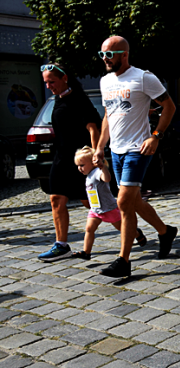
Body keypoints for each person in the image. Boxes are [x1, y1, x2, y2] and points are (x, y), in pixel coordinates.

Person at [94, 36, 178, 278]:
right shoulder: (105, 81)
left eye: (110, 54)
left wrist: (156, 136)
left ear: (124, 54)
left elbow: (169, 106)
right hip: (116, 150)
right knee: (133, 201)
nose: (105, 59)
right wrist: (100, 146)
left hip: (138, 149)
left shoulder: (143, 77)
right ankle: (165, 231)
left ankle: (123, 260)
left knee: (122, 202)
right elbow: (108, 115)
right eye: (102, 55)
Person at [37, 63, 103, 262]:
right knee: (56, 199)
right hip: (61, 158)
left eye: (52, 82)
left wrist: (94, 155)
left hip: (81, 160)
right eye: (46, 83)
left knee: (93, 203)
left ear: (64, 78)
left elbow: (93, 129)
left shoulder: (79, 100)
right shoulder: (58, 99)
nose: (49, 86)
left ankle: (130, 229)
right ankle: (61, 245)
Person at [71, 146, 146, 260]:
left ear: (92, 163)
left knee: (122, 228)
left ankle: (137, 234)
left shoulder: (97, 172)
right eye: (78, 166)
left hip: (108, 209)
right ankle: (86, 252)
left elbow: (107, 178)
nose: (79, 168)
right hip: (95, 210)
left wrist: (103, 168)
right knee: (89, 229)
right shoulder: (89, 175)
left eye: (82, 165)